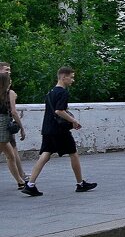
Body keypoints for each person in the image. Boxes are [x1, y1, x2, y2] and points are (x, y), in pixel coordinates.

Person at [22, 67, 97, 196]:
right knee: (73, 153)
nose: (73, 80)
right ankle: (80, 184)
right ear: (63, 77)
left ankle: (30, 184)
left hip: (47, 128)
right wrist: (74, 121)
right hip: (59, 130)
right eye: (71, 77)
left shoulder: (50, 92)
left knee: (45, 155)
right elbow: (59, 111)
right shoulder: (63, 92)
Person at [0, 66, 30, 191]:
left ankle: (20, 181)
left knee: (10, 155)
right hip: (3, 128)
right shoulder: (9, 93)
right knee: (10, 155)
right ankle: (20, 181)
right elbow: (14, 112)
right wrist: (21, 127)